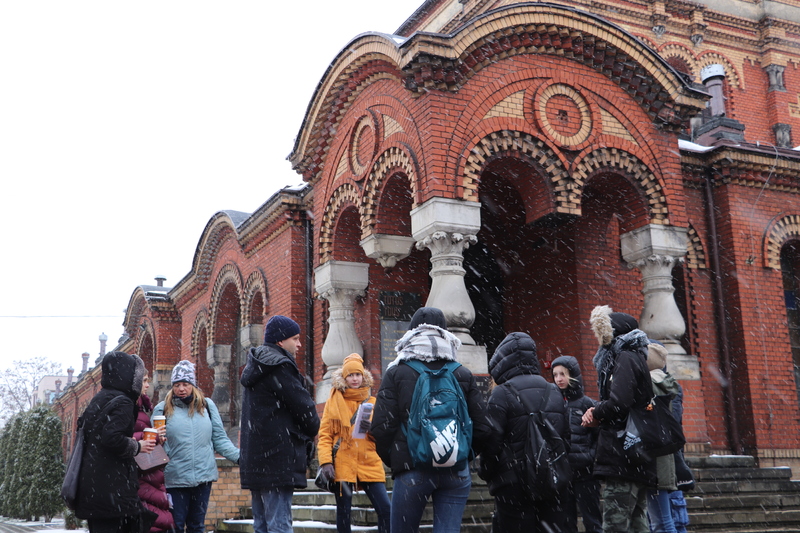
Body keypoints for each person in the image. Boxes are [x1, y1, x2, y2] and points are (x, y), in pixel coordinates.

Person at [371, 306, 491, 533]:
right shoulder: (462, 373)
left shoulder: (397, 372)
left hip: (412, 468)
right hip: (455, 469)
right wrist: (462, 453)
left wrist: (400, 459)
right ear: (445, 333)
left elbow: (381, 427)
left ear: (411, 333)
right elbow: (483, 427)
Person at [478, 332, 569, 532]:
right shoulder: (554, 391)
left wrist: (487, 470)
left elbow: (491, 440)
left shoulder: (501, 393)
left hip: (513, 483)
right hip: (550, 481)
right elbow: (564, 437)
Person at [239, 315, 320, 533]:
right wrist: (312, 428)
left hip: (256, 458)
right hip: (276, 457)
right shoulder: (279, 366)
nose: (300, 343)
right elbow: (304, 408)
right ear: (280, 341)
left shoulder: (256, 366)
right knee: (279, 525)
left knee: (262, 525)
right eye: (295, 338)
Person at [581, 305, 657, 533]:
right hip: (635, 453)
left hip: (623, 453)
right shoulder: (635, 356)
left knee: (616, 524)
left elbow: (619, 402)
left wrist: (595, 412)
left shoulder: (624, 357)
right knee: (637, 522)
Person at [152, 360, 240, 533]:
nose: (181, 389)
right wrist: (159, 443)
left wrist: (240, 457)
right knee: (175, 526)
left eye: (185, 384)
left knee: (197, 526)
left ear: (193, 385)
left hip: (203, 478)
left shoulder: (207, 406)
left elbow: (220, 439)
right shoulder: (162, 409)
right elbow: (155, 445)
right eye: (177, 385)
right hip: (174, 479)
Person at [75, 351, 157, 533]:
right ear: (129, 376)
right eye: (140, 378)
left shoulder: (100, 398)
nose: (145, 384)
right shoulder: (123, 402)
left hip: (94, 487)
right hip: (112, 490)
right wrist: (138, 446)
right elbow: (111, 438)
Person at [317, 353, 391, 533]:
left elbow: (383, 433)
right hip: (343, 463)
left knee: (386, 510)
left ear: (363, 376)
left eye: (358, 374)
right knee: (344, 515)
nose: (355, 379)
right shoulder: (333, 402)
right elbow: (325, 435)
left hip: (369, 461)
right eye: (350, 375)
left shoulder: (372, 402)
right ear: (344, 378)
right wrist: (326, 462)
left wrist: (376, 432)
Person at [551, 355, 602, 533]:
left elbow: (599, 435)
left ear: (572, 375)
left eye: (563, 374)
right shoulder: (552, 404)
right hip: (563, 472)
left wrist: (590, 457)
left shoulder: (587, 404)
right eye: (555, 374)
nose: (558, 379)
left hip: (585, 472)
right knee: (566, 522)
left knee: (592, 520)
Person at [645, 342, 682, 533]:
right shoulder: (664, 382)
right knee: (663, 519)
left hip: (656, 461)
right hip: (664, 457)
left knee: (661, 521)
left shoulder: (652, 384)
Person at [133, 372, 174, 533]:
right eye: (144, 381)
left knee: (157, 521)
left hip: (150, 474)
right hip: (142, 478)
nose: (148, 385)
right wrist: (149, 437)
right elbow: (122, 440)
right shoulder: (128, 408)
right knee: (153, 522)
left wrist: (156, 440)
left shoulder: (140, 408)